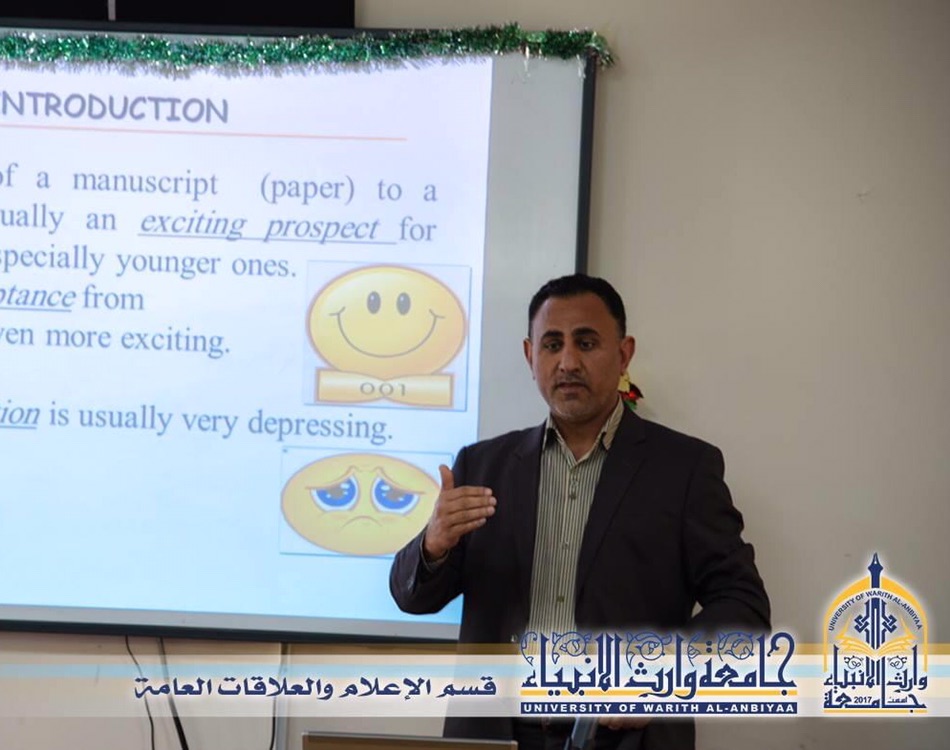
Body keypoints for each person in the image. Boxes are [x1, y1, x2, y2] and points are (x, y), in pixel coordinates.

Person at [390, 274, 770, 750]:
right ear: (530, 356)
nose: (568, 362)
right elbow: (412, 598)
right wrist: (433, 546)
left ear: (624, 354)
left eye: (586, 343)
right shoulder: (483, 466)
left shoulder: (684, 469)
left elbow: (743, 606)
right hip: (495, 736)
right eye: (552, 345)